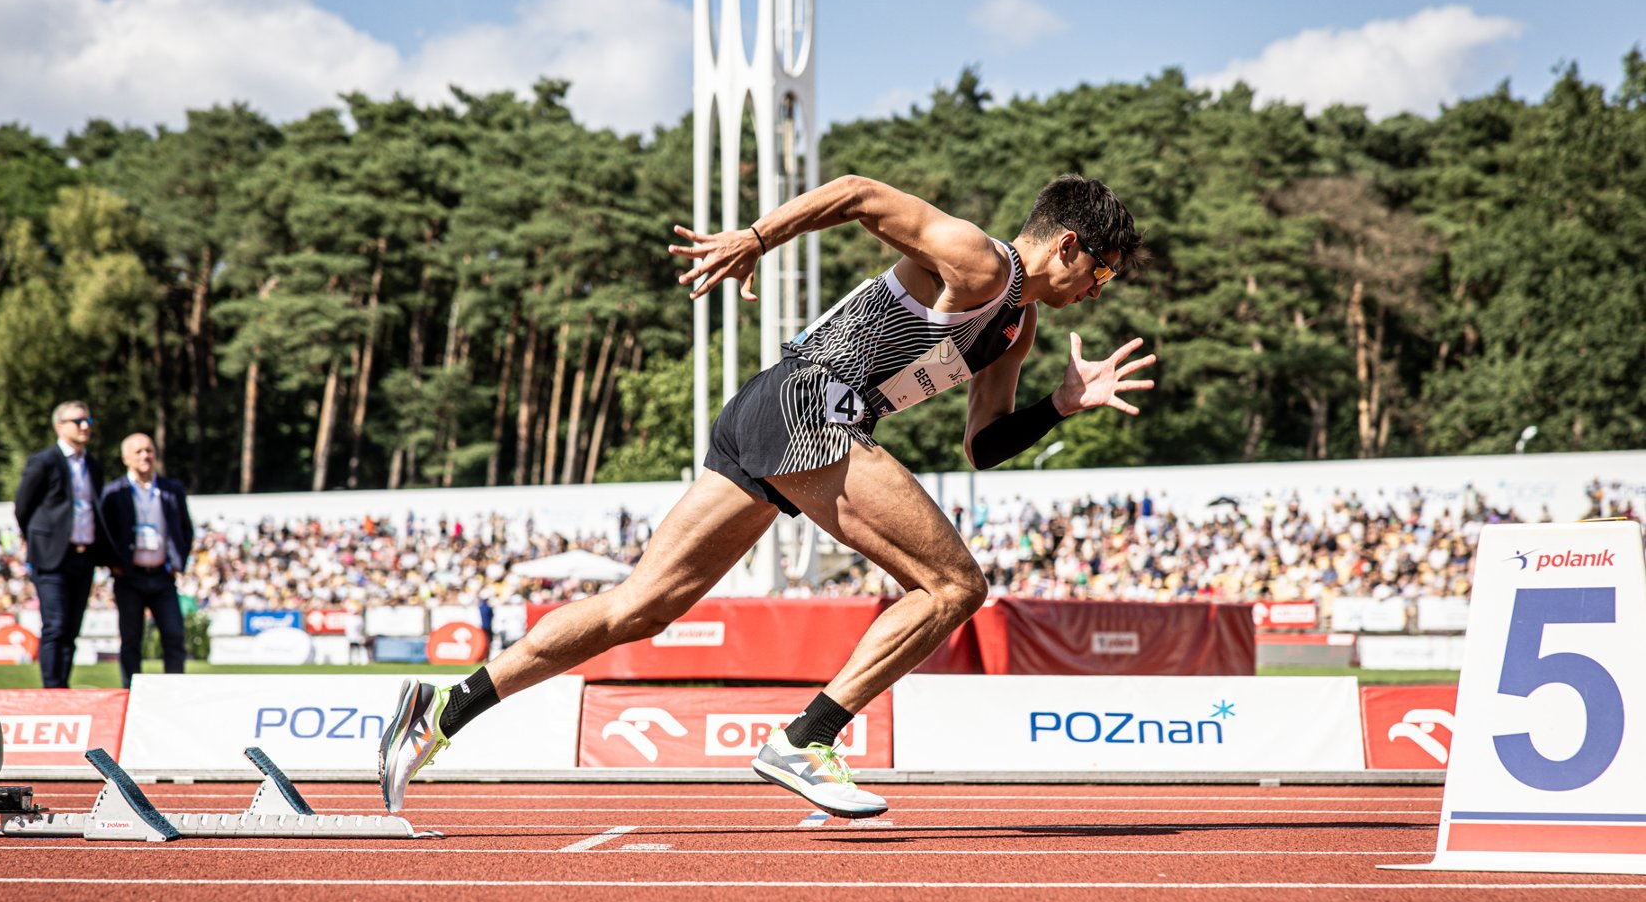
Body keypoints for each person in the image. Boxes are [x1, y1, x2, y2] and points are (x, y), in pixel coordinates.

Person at [379, 173, 1156, 816]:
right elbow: (857, 193)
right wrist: (753, 240)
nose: (1097, 292)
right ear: (1068, 245)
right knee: (954, 586)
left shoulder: (1011, 328)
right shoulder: (979, 262)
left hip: (771, 410)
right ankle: (806, 739)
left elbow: (982, 446)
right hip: (809, 404)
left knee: (640, 609)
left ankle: (441, 713)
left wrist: (1056, 409)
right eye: (1105, 271)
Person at [13, 401, 105, 689]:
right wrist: (38, 540)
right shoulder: (44, 461)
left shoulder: (93, 465)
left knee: (72, 629)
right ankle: (51, 691)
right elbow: (23, 505)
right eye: (78, 421)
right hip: (52, 558)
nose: (85, 426)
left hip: (84, 555)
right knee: (55, 625)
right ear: (59, 426)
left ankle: (62, 687)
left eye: (88, 420)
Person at [97, 433, 194, 689]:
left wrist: (177, 562)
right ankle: (130, 692)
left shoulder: (171, 490)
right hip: (129, 577)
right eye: (138, 451)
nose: (145, 456)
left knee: (174, 634)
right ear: (125, 457)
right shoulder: (114, 492)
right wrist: (113, 563)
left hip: (162, 576)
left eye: (149, 450)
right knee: (131, 639)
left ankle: (175, 690)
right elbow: (103, 533)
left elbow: (185, 529)